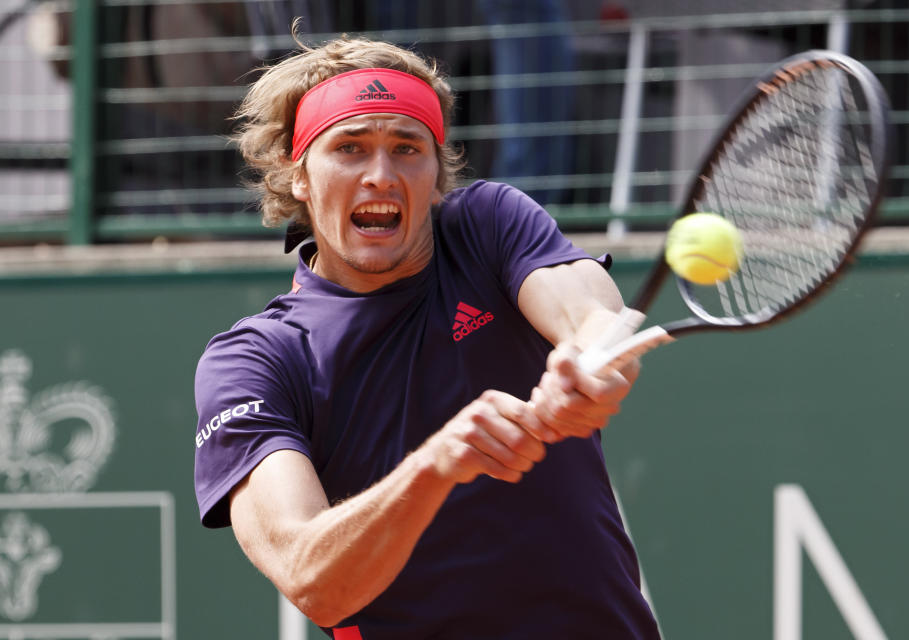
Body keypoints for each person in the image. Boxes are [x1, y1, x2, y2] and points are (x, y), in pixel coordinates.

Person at [193, 33, 660, 639]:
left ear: (437, 175)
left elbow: (586, 312)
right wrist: (438, 464)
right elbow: (312, 579)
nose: (381, 175)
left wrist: (592, 357)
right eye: (350, 148)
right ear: (299, 175)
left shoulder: (487, 225)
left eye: (407, 148)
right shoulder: (253, 362)